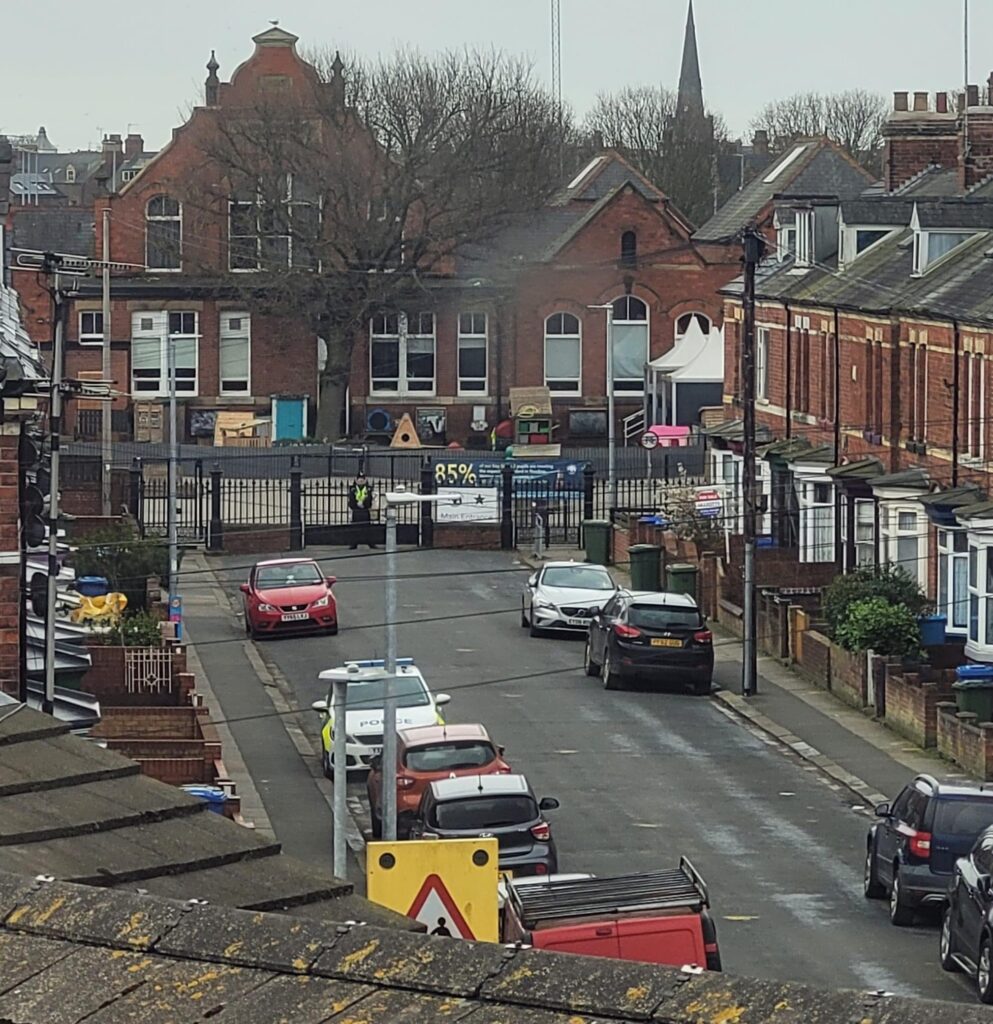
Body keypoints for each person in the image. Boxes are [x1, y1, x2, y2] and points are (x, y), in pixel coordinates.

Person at [347, 472, 377, 549]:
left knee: (367, 528)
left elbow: (370, 500)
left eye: (362, 479)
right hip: (356, 511)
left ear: (365, 480)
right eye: (359, 479)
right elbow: (350, 501)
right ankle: (354, 543)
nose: (360, 480)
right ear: (356, 480)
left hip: (365, 510)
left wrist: (363, 504)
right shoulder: (353, 489)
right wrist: (356, 504)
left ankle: (370, 543)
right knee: (355, 529)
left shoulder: (368, 489)